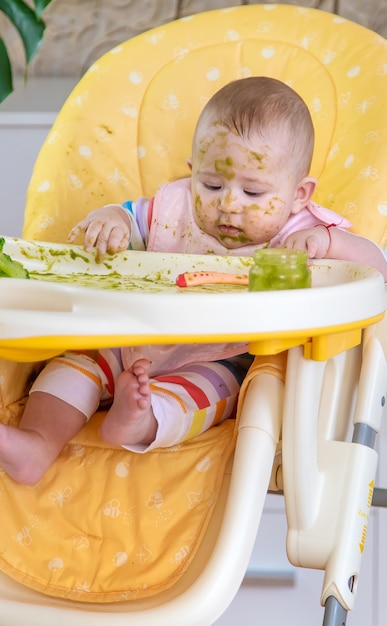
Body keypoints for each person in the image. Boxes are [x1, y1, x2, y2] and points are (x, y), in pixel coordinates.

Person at [1, 76, 386, 486]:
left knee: (207, 394)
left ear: (299, 194)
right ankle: (37, 445)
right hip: (127, 340)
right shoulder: (175, 206)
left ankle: (141, 420)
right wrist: (112, 219)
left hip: (218, 356)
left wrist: (330, 241)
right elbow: (131, 218)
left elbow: (375, 268)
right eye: (212, 184)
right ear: (192, 173)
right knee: (71, 366)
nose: (229, 205)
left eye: (254, 193)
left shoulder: (302, 231)